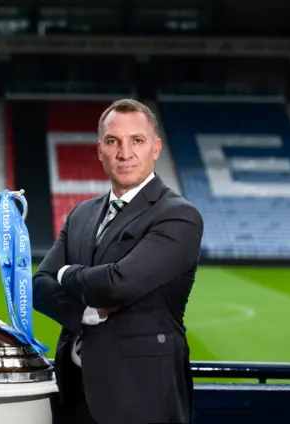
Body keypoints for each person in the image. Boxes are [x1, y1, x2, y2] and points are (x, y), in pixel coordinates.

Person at [32, 99, 204, 424]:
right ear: (100, 151)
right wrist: (86, 312)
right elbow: (40, 286)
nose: (125, 152)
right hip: (74, 392)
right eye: (113, 141)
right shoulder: (81, 213)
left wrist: (67, 273)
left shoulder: (179, 215)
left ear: (156, 148)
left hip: (140, 396)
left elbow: (117, 285)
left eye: (137, 140)